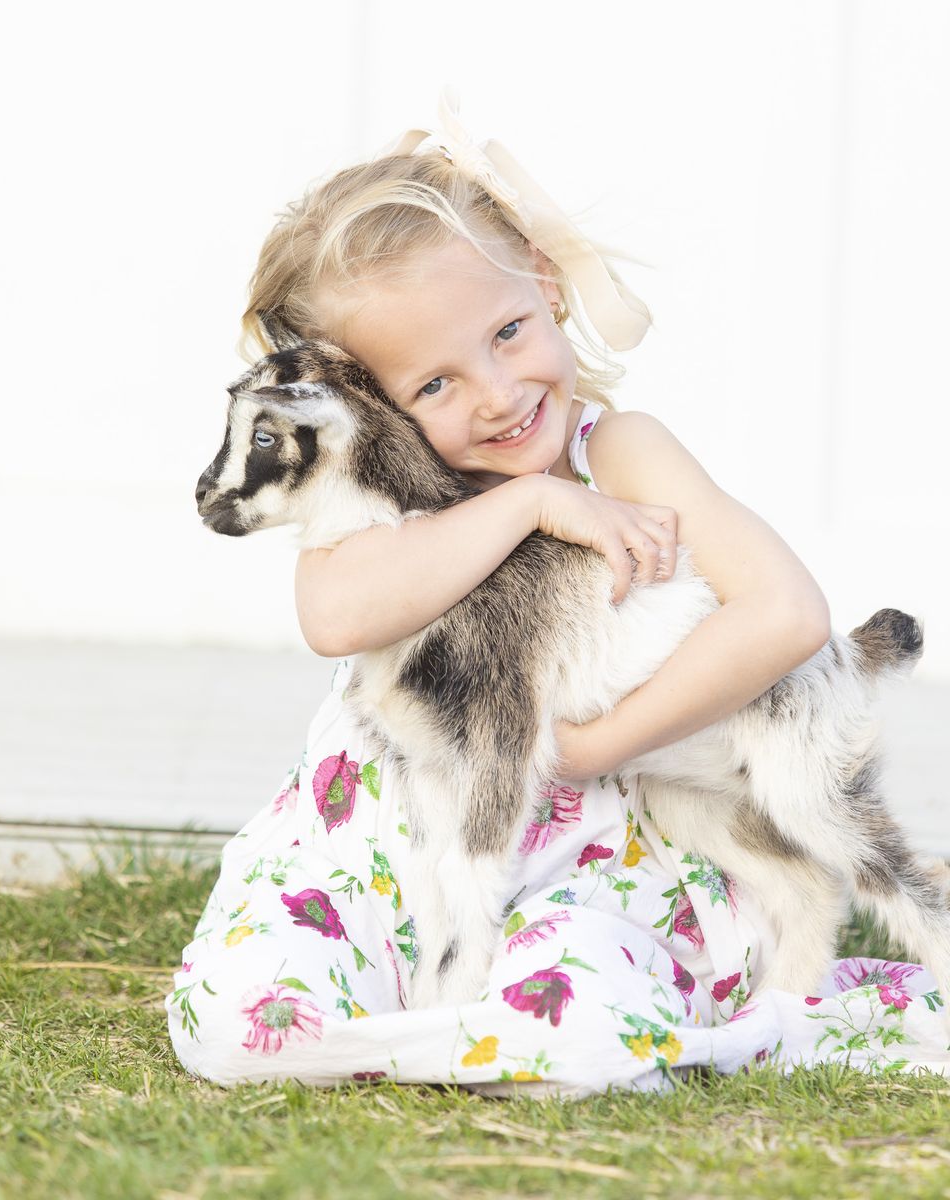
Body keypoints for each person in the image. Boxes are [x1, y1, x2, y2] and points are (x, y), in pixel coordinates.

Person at [167, 97, 948, 1092]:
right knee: (234, 1020)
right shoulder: (377, 513)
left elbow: (786, 615)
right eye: (434, 386)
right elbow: (333, 620)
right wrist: (531, 504)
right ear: (369, 407)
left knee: (574, 1025)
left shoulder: (621, 454)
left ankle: (511, 1027)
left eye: (507, 331)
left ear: (546, 286)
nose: (496, 394)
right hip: (387, 866)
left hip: (605, 872)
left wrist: (591, 747)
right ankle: (437, 1019)